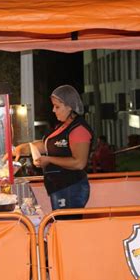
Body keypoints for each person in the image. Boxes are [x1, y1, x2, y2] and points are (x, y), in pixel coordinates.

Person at [14, 85, 93, 213]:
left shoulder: (78, 129)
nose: (53, 110)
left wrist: (49, 160)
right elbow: (46, 145)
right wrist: (22, 149)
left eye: (57, 107)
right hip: (60, 187)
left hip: (70, 187)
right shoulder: (62, 126)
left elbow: (79, 163)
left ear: (70, 107)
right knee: (61, 226)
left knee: (66, 227)